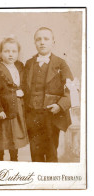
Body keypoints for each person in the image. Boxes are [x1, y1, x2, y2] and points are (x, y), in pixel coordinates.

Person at [23, 27, 73, 162]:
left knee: (51, 152)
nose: (42, 42)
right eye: (38, 39)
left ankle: (51, 181)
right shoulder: (29, 63)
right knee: (35, 152)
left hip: (51, 115)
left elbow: (72, 90)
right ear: (34, 42)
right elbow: (23, 87)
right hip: (32, 115)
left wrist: (60, 105)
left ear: (53, 42)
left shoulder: (61, 64)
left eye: (46, 39)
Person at [0, 36, 28, 161]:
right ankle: (0, 160)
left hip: (16, 107)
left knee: (14, 136)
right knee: (0, 137)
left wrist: (21, 91)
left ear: (18, 53)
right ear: (0, 53)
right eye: (6, 51)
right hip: (2, 108)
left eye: (14, 51)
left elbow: (23, 83)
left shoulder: (19, 66)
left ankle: (14, 159)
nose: (10, 54)